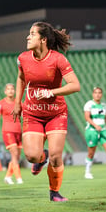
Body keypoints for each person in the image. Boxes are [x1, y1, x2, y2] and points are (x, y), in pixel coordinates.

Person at [13, 21, 81, 202]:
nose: (28, 37)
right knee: (32, 156)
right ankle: (41, 159)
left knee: (56, 156)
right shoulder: (23, 58)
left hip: (56, 113)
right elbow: (20, 78)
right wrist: (18, 102)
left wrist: (52, 92)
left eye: (32, 34)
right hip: (32, 113)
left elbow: (75, 85)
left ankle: (54, 193)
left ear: (43, 39)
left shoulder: (58, 59)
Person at [0, 83, 23, 184]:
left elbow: (23, 116)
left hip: (18, 131)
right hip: (8, 131)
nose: (10, 91)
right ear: (5, 91)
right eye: (8, 89)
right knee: (14, 154)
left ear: (15, 91)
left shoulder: (18, 103)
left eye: (12, 89)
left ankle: (8, 176)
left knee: (17, 156)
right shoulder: (1, 103)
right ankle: (18, 178)